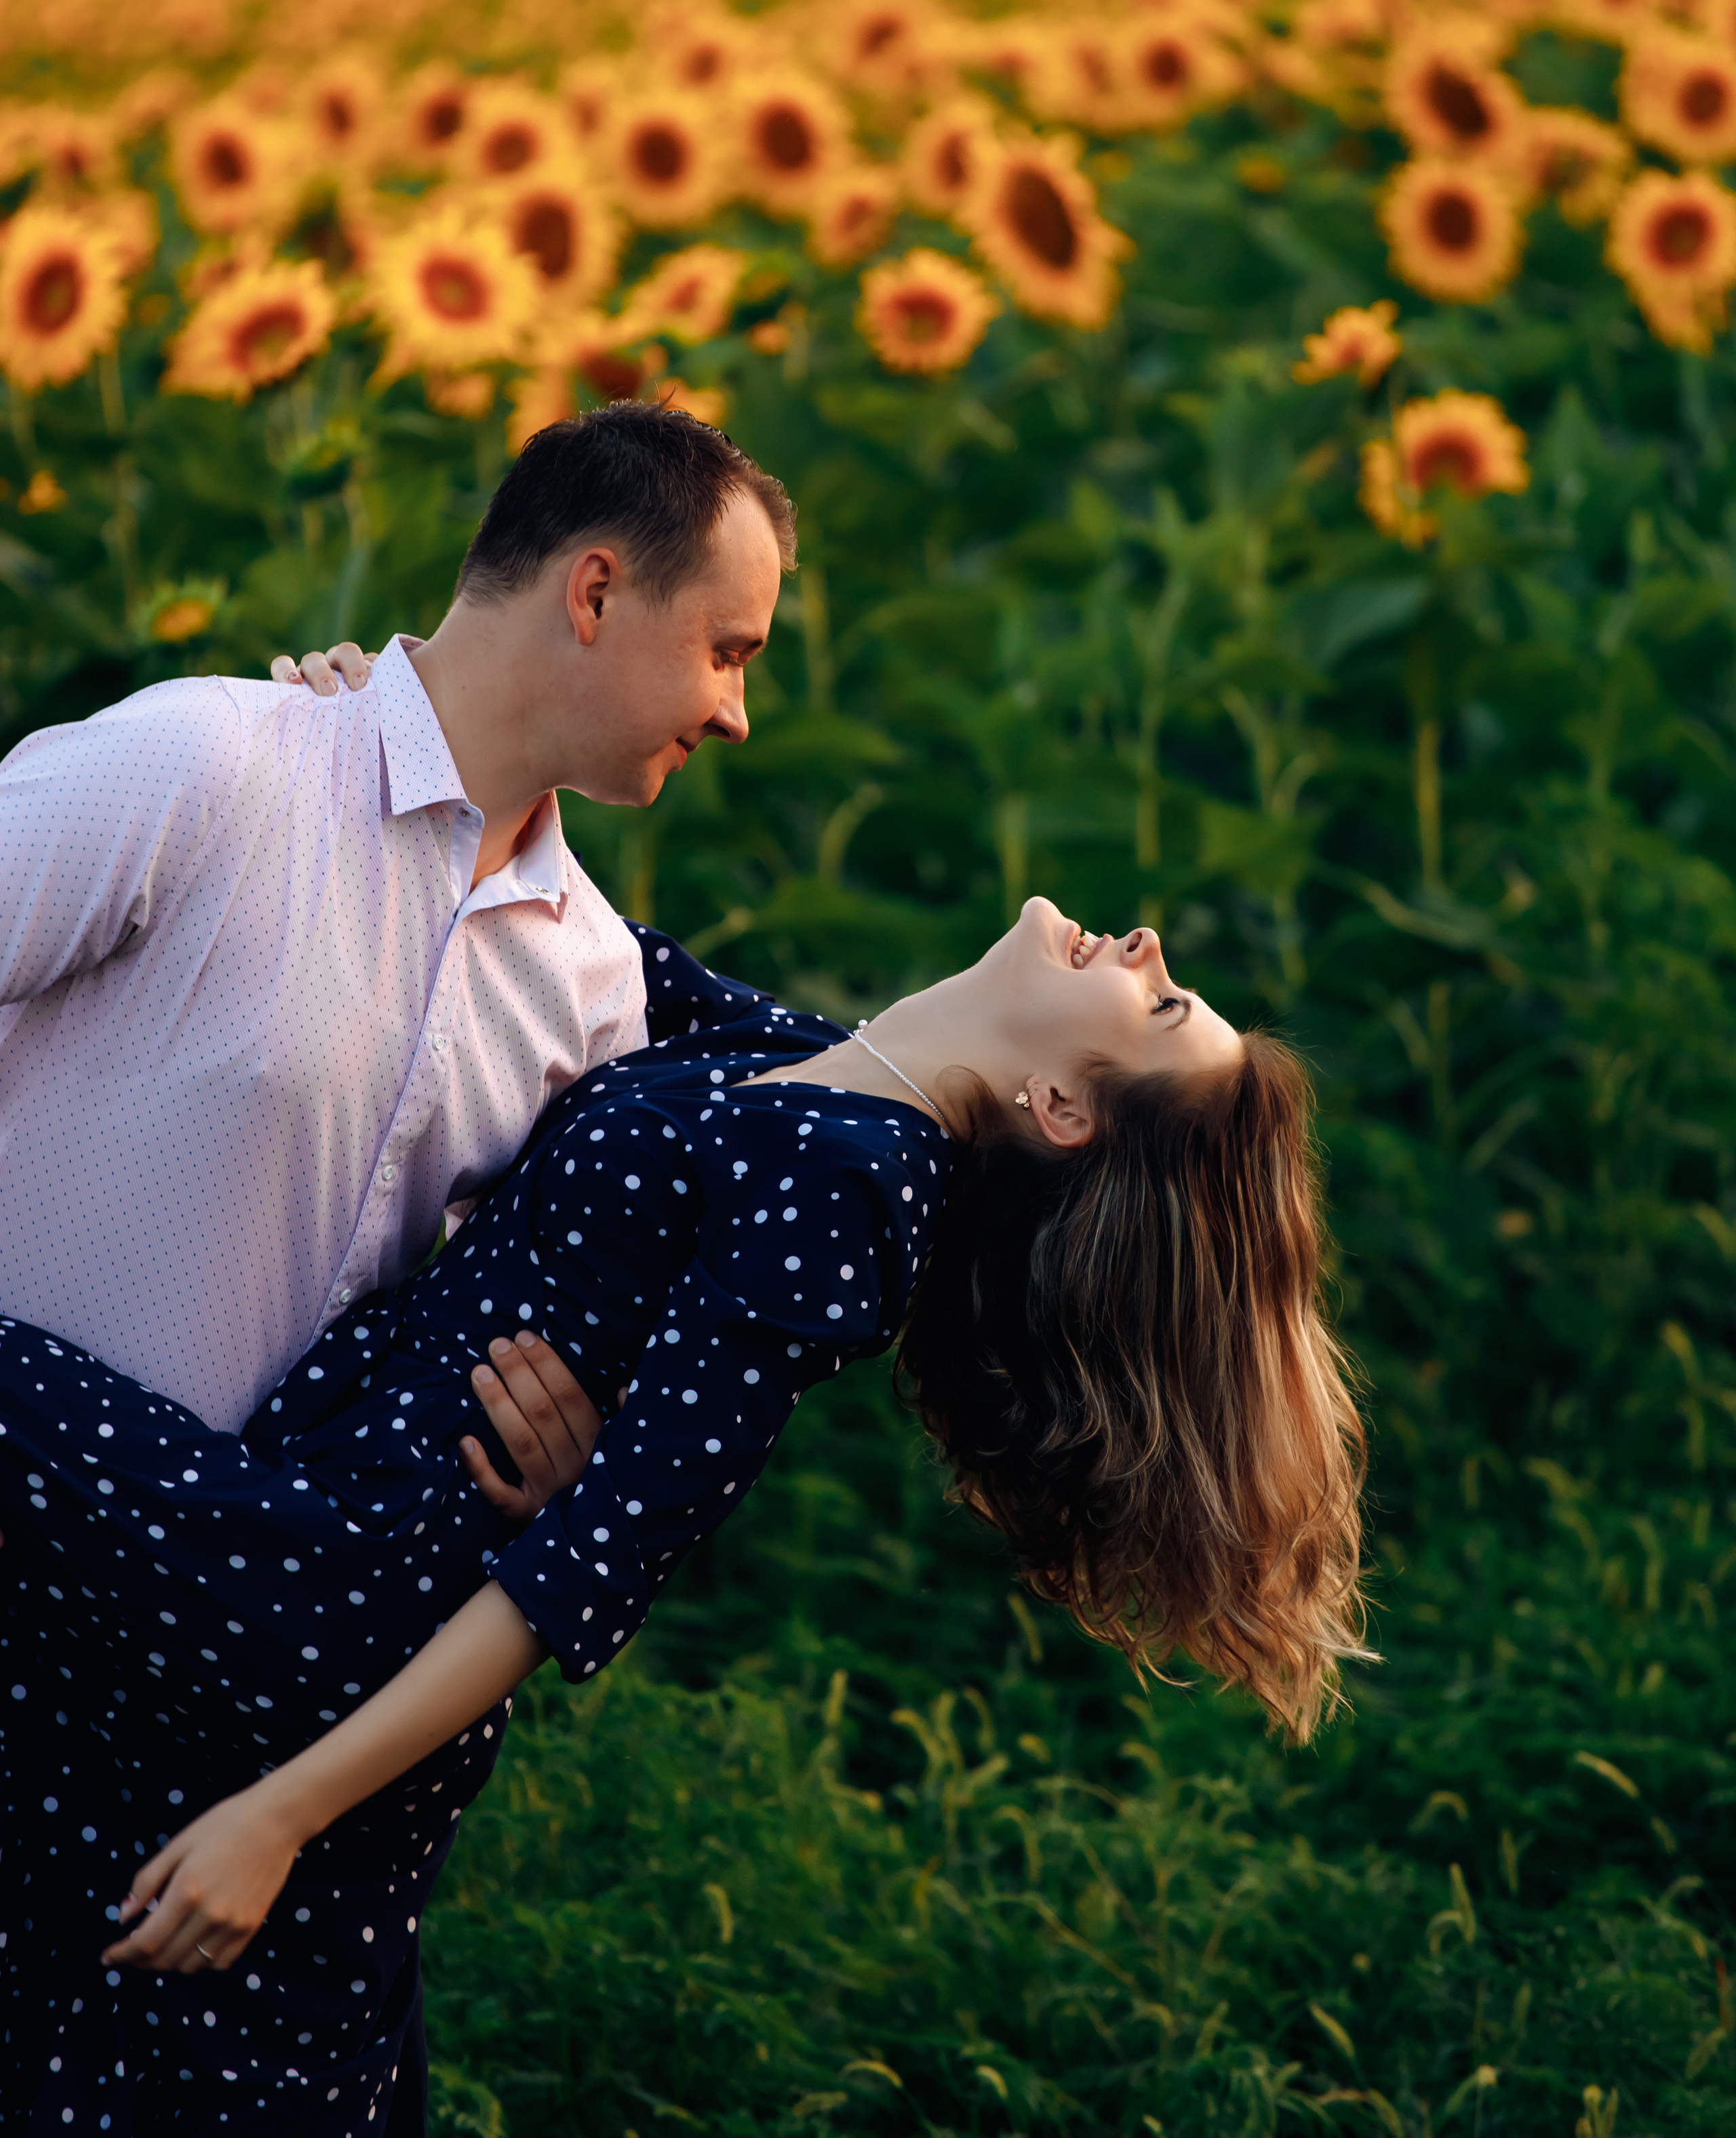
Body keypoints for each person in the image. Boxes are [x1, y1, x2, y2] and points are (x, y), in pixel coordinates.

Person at [0, 900, 1366, 2132]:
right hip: (320, 1503)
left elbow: (590, 1568)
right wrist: (382, 713)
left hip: (328, 1579)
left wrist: (285, 1816)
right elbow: (585, 941)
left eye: (1163, 1004)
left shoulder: (853, 1192)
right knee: (160, 2006)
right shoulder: (818, 1072)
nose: (1145, 947)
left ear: (1062, 1107)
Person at [0, 399, 792, 1445]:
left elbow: (479, 1338)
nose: (738, 714)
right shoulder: (209, 764)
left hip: (228, 1592)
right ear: (595, 593)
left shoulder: (595, 985)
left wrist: (538, 1463)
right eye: (727, 652)